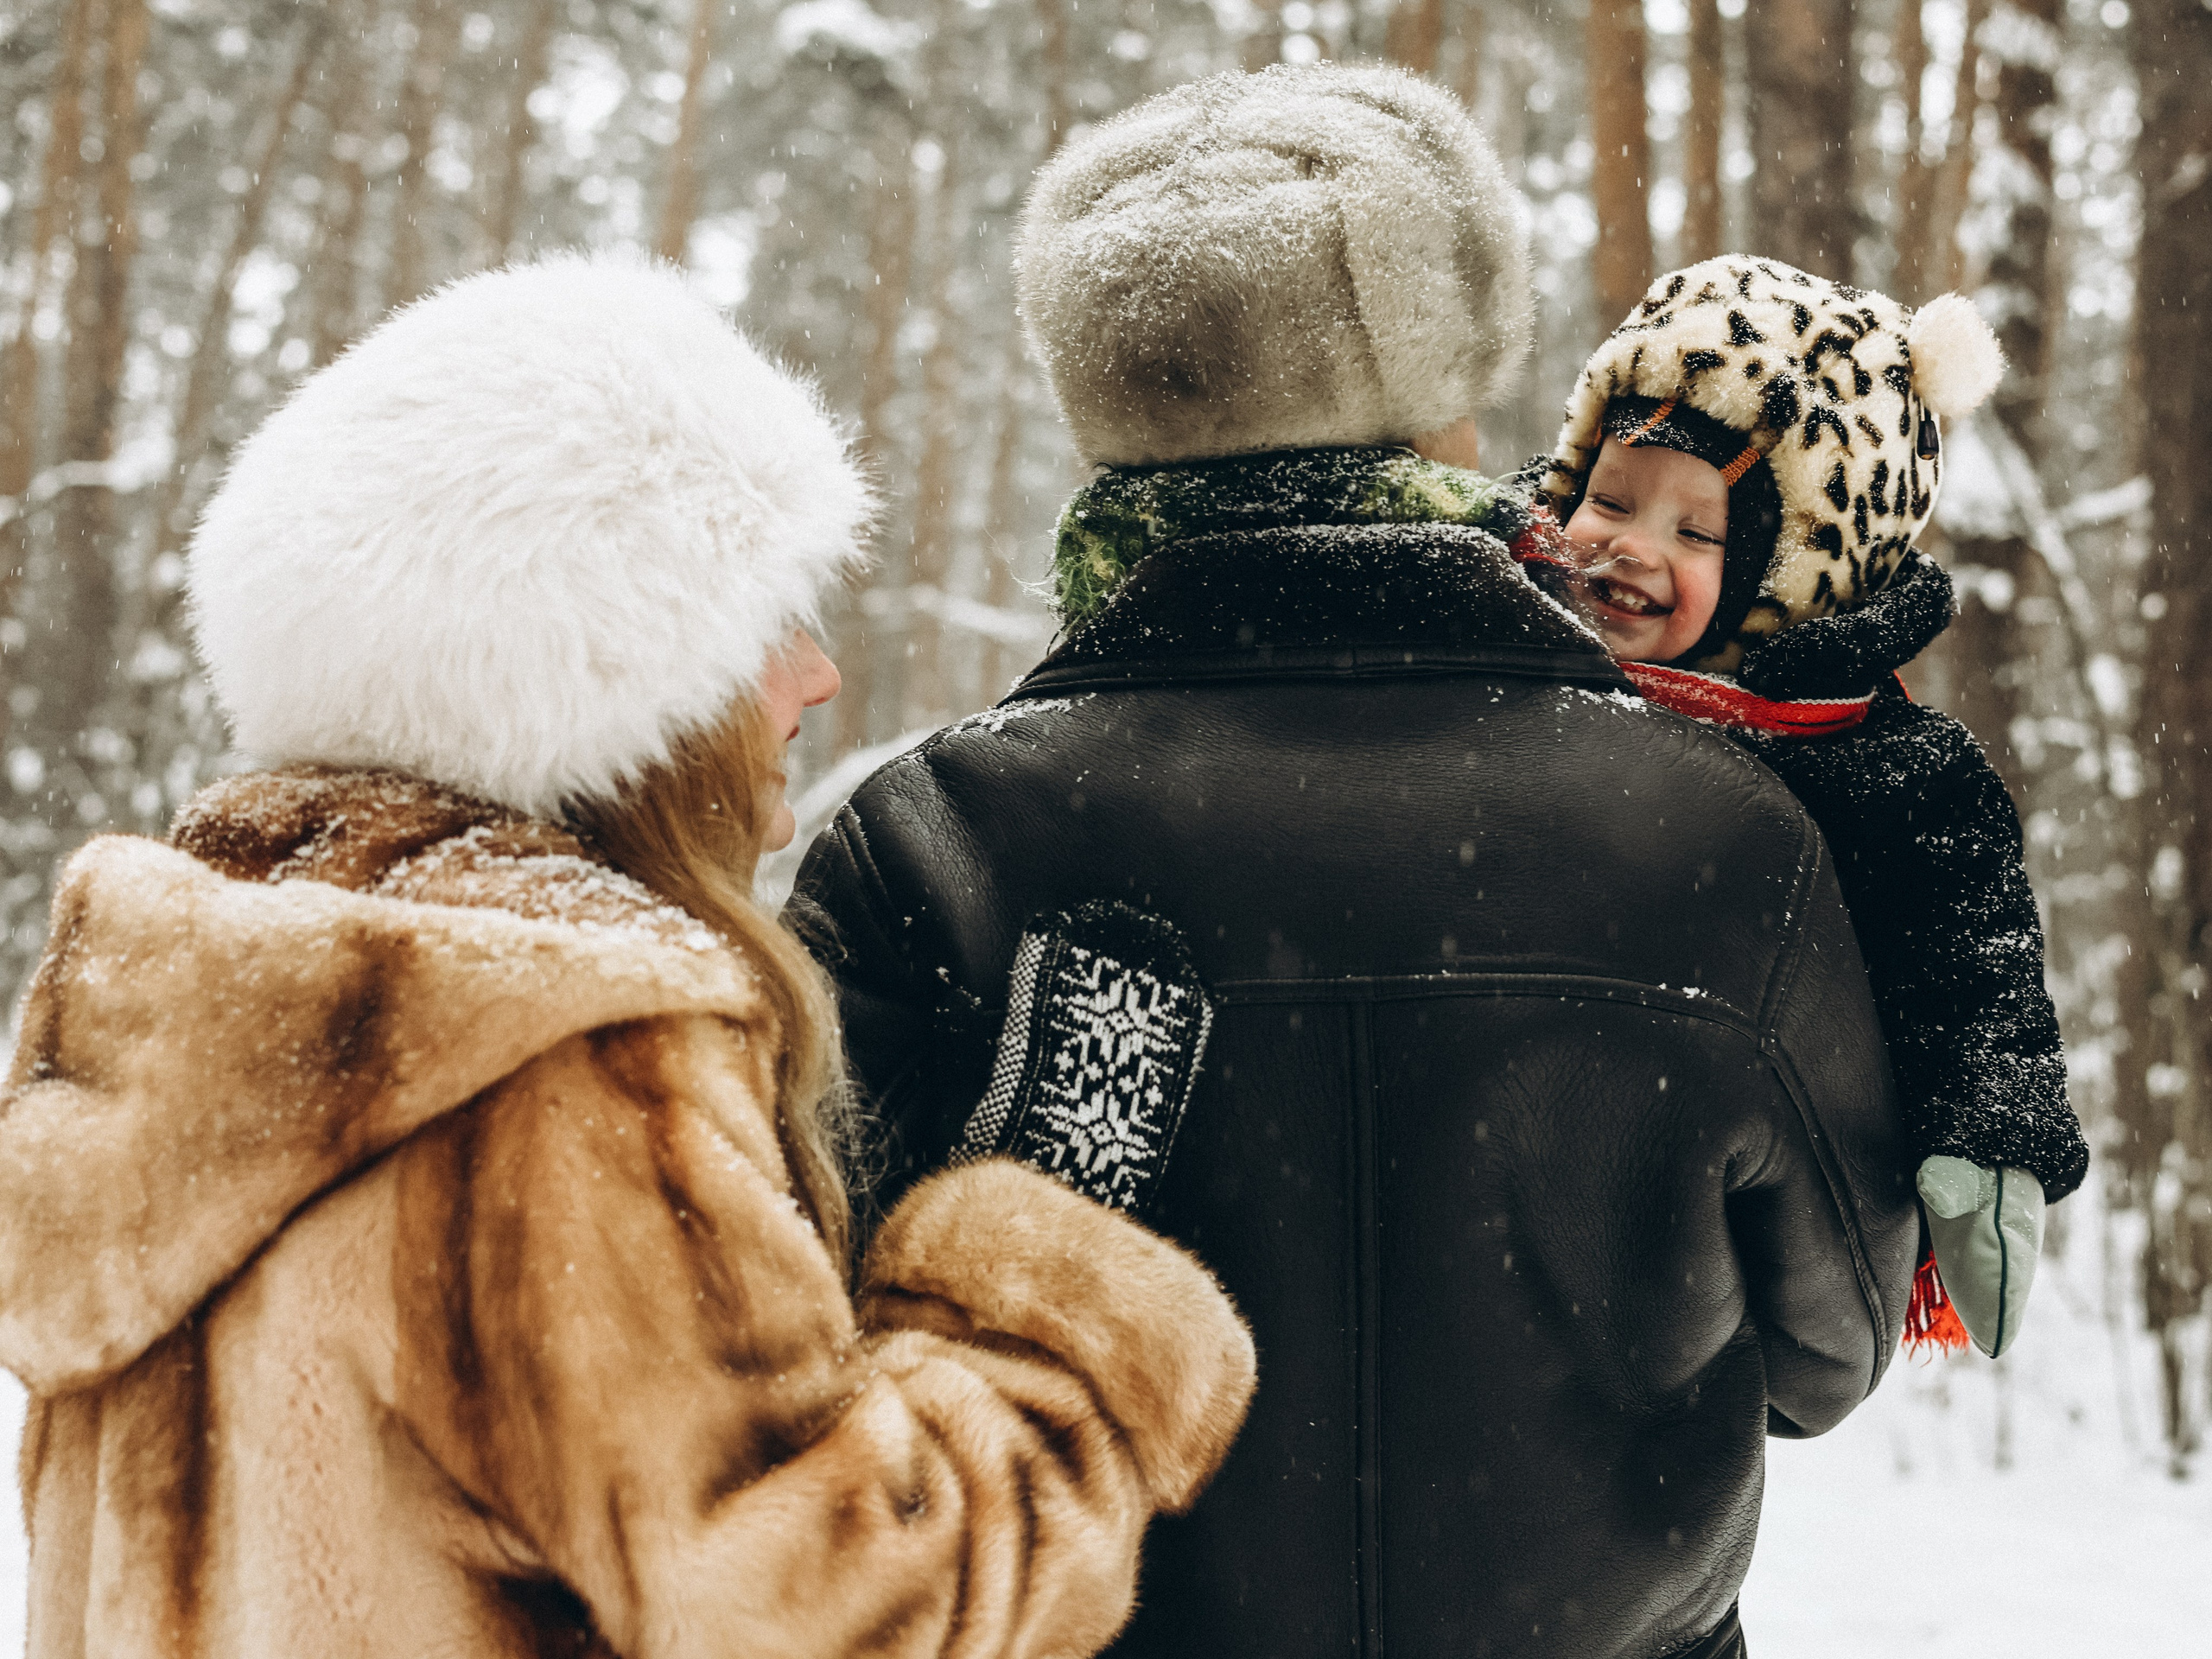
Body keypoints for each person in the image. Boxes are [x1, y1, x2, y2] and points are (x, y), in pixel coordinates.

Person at [791, 65, 1916, 1659]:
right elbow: (1827, 1352)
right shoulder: (1718, 832)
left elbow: (806, 1373)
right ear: (1446, 396)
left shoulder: (935, 837)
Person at [0, 253, 1255, 1659]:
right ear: (608, 673)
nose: (819, 675)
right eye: (764, 625)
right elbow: (836, 1607)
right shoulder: (551, 1066)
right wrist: (1040, 1291)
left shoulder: (180, 1019)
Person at [1524, 256, 2092, 1357]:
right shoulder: (1503, 639)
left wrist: (1986, 1136)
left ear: (1790, 572)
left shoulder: (1873, 766)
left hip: (1712, 1209)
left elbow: (1967, 959)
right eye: (1610, 497)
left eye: (1698, 532)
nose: (1630, 545)